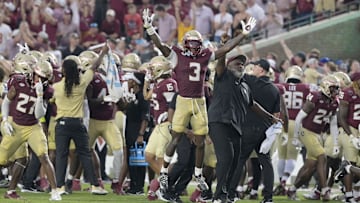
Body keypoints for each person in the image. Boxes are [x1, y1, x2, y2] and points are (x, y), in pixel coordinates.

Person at [142, 8, 257, 195]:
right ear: (186, 43)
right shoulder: (177, 54)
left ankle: (197, 174)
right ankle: (164, 172)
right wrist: (149, 28)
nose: (195, 47)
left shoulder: (205, 55)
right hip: (183, 101)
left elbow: (225, 49)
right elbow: (160, 45)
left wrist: (243, 34)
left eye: (197, 43)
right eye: (192, 43)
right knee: (176, 136)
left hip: (200, 101)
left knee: (201, 140)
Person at [209, 36, 282, 203]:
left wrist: (271, 117)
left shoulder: (245, 85)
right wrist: (223, 48)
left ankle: (226, 195)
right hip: (219, 122)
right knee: (226, 159)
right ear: (228, 65)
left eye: (242, 64)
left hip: (236, 126)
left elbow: (253, 105)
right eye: (237, 63)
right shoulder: (223, 75)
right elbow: (220, 62)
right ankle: (218, 196)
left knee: (235, 163)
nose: (240, 65)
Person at [53, 42, 109, 195]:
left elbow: (50, 101)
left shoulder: (57, 87)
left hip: (62, 123)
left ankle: (60, 187)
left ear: (63, 71)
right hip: (77, 123)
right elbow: (94, 67)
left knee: (61, 156)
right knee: (85, 154)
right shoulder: (82, 83)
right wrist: (103, 53)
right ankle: (95, 186)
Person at [0, 58, 61, 200]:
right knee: (3, 161)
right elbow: (7, 100)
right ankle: (10, 189)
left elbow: (39, 114)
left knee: (43, 156)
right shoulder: (18, 81)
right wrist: (5, 120)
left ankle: (55, 191)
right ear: (32, 73)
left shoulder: (47, 90)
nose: (41, 80)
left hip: (33, 126)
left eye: (44, 78)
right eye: (39, 76)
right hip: (16, 126)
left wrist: (40, 96)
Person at [228, 59, 282, 203]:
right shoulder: (274, 89)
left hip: (248, 127)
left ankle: (231, 194)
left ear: (261, 70)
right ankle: (268, 197)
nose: (253, 68)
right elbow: (276, 116)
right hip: (265, 130)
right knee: (266, 162)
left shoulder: (251, 81)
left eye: (256, 67)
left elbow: (234, 72)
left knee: (239, 160)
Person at [287, 75, 341, 201]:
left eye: (337, 89)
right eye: (333, 88)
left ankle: (292, 190)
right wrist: (296, 136)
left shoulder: (334, 102)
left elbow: (333, 124)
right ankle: (324, 190)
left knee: (310, 167)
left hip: (317, 134)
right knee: (322, 155)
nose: (336, 92)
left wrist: (336, 142)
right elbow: (299, 117)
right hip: (305, 131)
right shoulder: (316, 97)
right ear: (326, 87)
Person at [274, 65, 310, 196]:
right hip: (297, 123)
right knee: (292, 155)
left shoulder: (280, 86)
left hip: (282, 122)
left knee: (282, 154)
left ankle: (281, 182)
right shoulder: (306, 88)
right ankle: (284, 181)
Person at [338, 71, 360, 203]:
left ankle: (356, 191)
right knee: (350, 161)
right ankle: (348, 195)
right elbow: (341, 117)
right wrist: (351, 136)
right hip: (350, 129)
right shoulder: (347, 92)